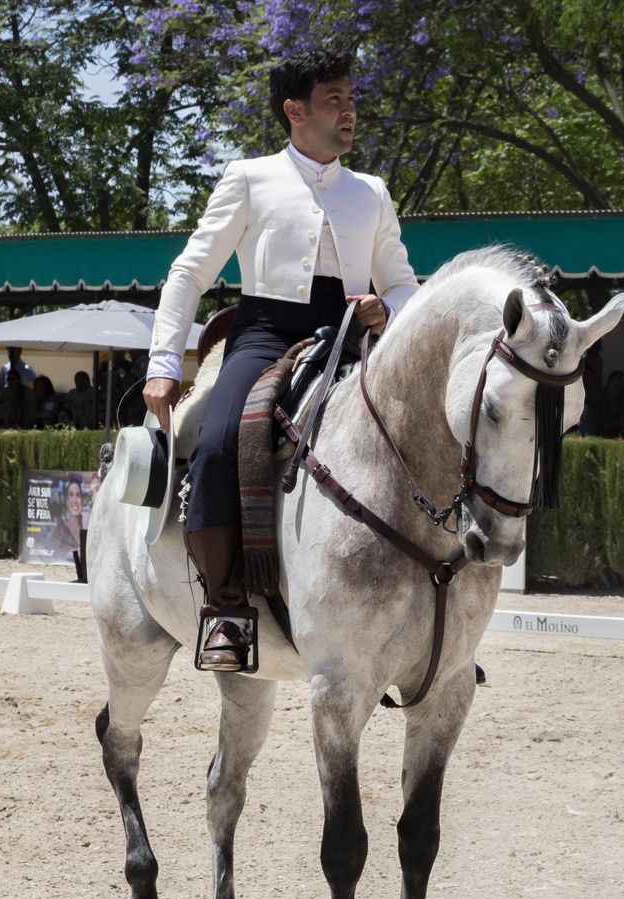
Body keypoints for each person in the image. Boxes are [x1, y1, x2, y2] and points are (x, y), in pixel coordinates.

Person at [142, 46, 418, 672]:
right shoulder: (248, 177)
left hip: (346, 336)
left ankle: (435, 610)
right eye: (333, 101)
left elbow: (404, 285)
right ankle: (227, 609)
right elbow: (188, 274)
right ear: (295, 111)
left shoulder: (371, 192)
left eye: (351, 99)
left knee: (421, 437)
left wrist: (388, 310)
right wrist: (164, 363)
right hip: (262, 333)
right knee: (214, 442)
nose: (349, 112)